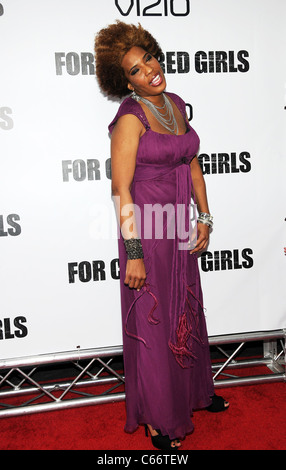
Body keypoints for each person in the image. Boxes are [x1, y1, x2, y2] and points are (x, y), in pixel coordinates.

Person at [94, 21, 229, 450]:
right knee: (154, 322)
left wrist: (204, 216)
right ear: (123, 81)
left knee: (185, 309)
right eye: (135, 69)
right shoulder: (129, 120)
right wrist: (133, 252)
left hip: (179, 225)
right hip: (147, 229)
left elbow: (192, 164)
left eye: (148, 57)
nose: (148, 69)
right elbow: (120, 190)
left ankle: (192, 393)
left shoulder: (175, 104)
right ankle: (157, 419)